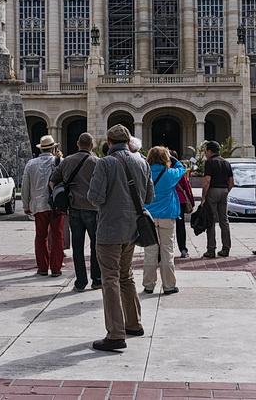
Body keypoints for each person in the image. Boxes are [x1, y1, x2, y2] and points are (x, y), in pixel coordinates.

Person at [87, 124, 154, 352]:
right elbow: (149, 196)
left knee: (110, 279)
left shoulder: (105, 163)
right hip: (132, 229)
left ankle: (115, 334)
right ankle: (133, 323)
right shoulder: (141, 162)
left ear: (108, 141)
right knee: (126, 276)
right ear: (128, 141)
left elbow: (95, 197)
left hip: (109, 230)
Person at [49, 132, 101, 292]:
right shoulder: (97, 162)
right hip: (93, 209)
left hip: (73, 208)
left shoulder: (67, 161)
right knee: (95, 245)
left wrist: (61, 197)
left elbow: (52, 181)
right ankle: (97, 279)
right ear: (91, 146)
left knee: (77, 247)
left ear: (78, 144)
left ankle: (80, 281)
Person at [21, 135, 65, 277]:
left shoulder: (31, 164)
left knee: (41, 236)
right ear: (53, 148)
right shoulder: (60, 162)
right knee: (57, 236)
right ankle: (56, 268)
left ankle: (42, 267)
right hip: (56, 205)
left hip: (38, 205)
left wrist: (26, 204)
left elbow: (25, 186)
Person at [143, 146, 183, 295]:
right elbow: (182, 169)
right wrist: (173, 158)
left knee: (150, 251)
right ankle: (168, 285)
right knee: (167, 251)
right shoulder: (170, 174)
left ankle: (148, 284)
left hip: (149, 216)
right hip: (167, 215)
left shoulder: (144, 173)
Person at [201, 140, 233, 258]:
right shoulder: (226, 162)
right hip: (224, 191)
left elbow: (207, 181)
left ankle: (211, 249)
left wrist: (203, 196)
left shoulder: (209, 162)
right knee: (224, 220)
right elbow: (231, 182)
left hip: (213, 191)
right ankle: (226, 248)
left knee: (211, 220)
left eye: (205, 151)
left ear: (209, 151)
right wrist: (226, 191)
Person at [172, 150, 194, 258]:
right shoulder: (179, 171)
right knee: (180, 226)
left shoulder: (164, 170)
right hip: (180, 201)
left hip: (168, 202)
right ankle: (183, 249)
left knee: (166, 227)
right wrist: (191, 201)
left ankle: (164, 250)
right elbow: (187, 186)